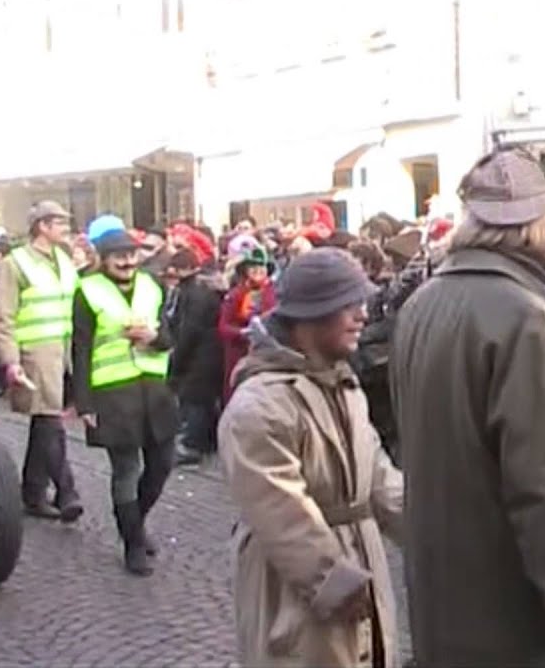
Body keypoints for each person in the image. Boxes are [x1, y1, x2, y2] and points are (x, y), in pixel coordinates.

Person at [390, 148, 545, 666]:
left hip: (442, 591)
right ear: (541, 224)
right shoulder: (524, 316)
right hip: (512, 606)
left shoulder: (423, 303)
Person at [219, 248, 403, 668]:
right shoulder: (260, 405)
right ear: (310, 315)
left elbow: (378, 479)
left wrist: (440, 531)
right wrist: (333, 581)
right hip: (294, 591)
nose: (362, 316)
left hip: (361, 563)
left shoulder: (343, 386)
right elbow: (278, 510)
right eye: (348, 306)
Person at [71, 216, 177, 576]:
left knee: (162, 464)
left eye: (131, 255)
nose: (127, 262)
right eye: (119, 256)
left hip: (155, 390)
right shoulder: (87, 290)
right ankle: (132, 544)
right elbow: (80, 350)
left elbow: (169, 336)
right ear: (103, 258)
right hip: (113, 393)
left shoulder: (152, 285)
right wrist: (84, 403)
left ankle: (136, 521)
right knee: (127, 470)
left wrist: (153, 338)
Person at [0, 201, 82, 522]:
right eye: (60, 222)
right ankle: (67, 491)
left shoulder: (64, 258)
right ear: (42, 226)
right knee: (49, 420)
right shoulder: (14, 264)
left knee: (43, 423)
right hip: (35, 352)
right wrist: (11, 361)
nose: (66, 228)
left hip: (65, 349)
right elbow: (4, 317)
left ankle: (31, 492)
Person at [166, 248, 226, 466]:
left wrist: (178, 357)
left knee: (195, 400)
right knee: (201, 400)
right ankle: (205, 441)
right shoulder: (198, 289)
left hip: (202, 354)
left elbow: (190, 329)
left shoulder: (195, 292)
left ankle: (193, 445)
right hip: (207, 351)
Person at [218, 244, 276, 403]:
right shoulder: (235, 295)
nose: (258, 271)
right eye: (253, 267)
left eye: (261, 266)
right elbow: (223, 327)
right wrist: (243, 332)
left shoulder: (274, 293)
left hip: (267, 356)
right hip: (239, 355)